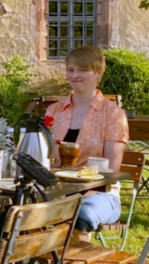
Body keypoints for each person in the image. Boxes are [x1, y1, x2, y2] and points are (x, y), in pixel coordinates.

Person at [46, 45, 128, 241]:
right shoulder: (54, 111)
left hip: (100, 194)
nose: (75, 75)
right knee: (17, 211)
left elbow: (111, 170)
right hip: (57, 191)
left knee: (80, 213)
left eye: (83, 69)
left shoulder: (113, 114)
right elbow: (44, 157)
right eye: (71, 69)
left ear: (99, 73)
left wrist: (76, 196)